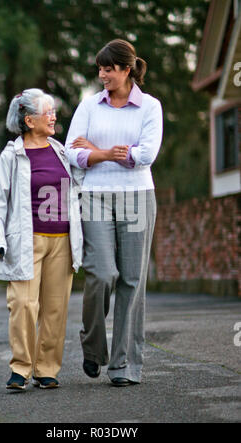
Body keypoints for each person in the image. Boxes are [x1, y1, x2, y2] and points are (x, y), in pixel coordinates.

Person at [65, 39, 163, 386]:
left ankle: (124, 366)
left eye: (108, 68)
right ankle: (93, 348)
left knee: (132, 281)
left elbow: (146, 154)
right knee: (102, 274)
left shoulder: (149, 107)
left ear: (125, 69)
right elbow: (71, 153)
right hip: (95, 196)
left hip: (137, 195)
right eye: (100, 69)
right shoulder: (89, 106)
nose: (102, 74)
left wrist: (96, 150)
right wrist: (107, 154)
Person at [0, 88, 82, 391]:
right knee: (23, 304)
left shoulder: (62, 151)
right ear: (29, 120)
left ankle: (47, 368)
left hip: (61, 240)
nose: (54, 117)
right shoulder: (12, 156)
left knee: (55, 307)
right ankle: (21, 367)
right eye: (47, 112)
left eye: (53, 111)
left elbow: (80, 190)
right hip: (25, 241)